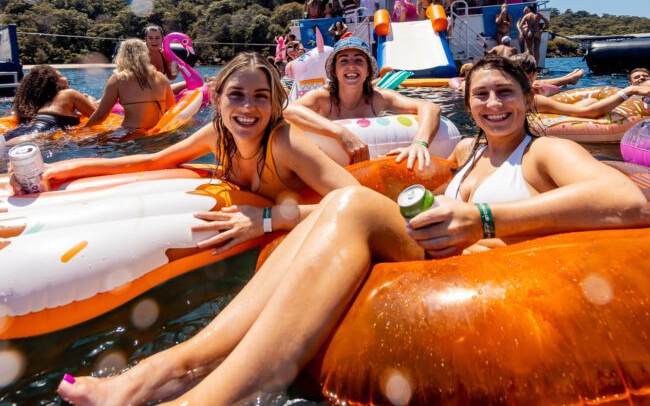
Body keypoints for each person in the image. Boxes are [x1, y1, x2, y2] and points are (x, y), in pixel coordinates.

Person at [57, 56, 648, 406]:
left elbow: (624, 200)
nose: (494, 104)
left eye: (506, 93)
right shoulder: (468, 153)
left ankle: (212, 392)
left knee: (354, 206)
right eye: (482, 95)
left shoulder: (542, 152)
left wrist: (486, 218)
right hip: (441, 252)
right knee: (329, 224)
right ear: (468, 103)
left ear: (525, 99)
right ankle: (168, 371)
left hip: (492, 261)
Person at [34, 53, 358, 232]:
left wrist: (268, 219)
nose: (247, 107)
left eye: (261, 97)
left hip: (318, 185)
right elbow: (153, 161)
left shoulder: (284, 142)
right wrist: (73, 166)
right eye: (236, 95)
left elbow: (357, 202)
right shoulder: (218, 133)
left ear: (275, 104)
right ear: (218, 100)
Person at [283, 37, 440, 166]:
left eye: (358, 61)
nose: (351, 67)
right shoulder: (323, 98)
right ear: (335, 72)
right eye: (343, 61)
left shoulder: (378, 98)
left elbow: (429, 107)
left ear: (368, 71)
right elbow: (288, 111)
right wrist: (340, 133)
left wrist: (419, 143)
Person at [80, 39, 175, 131]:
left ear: (122, 56)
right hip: (158, 132)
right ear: (146, 55)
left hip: (131, 134)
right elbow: (172, 107)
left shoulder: (118, 79)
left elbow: (101, 115)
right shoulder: (161, 77)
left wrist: (83, 130)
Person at [3, 65, 97, 143]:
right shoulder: (69, 94)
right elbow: (99, 115)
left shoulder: (37, 105)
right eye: (61, 76)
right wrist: (91, 100)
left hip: (12, 135)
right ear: (52, 82)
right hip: (35, 136)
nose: (66, 78)